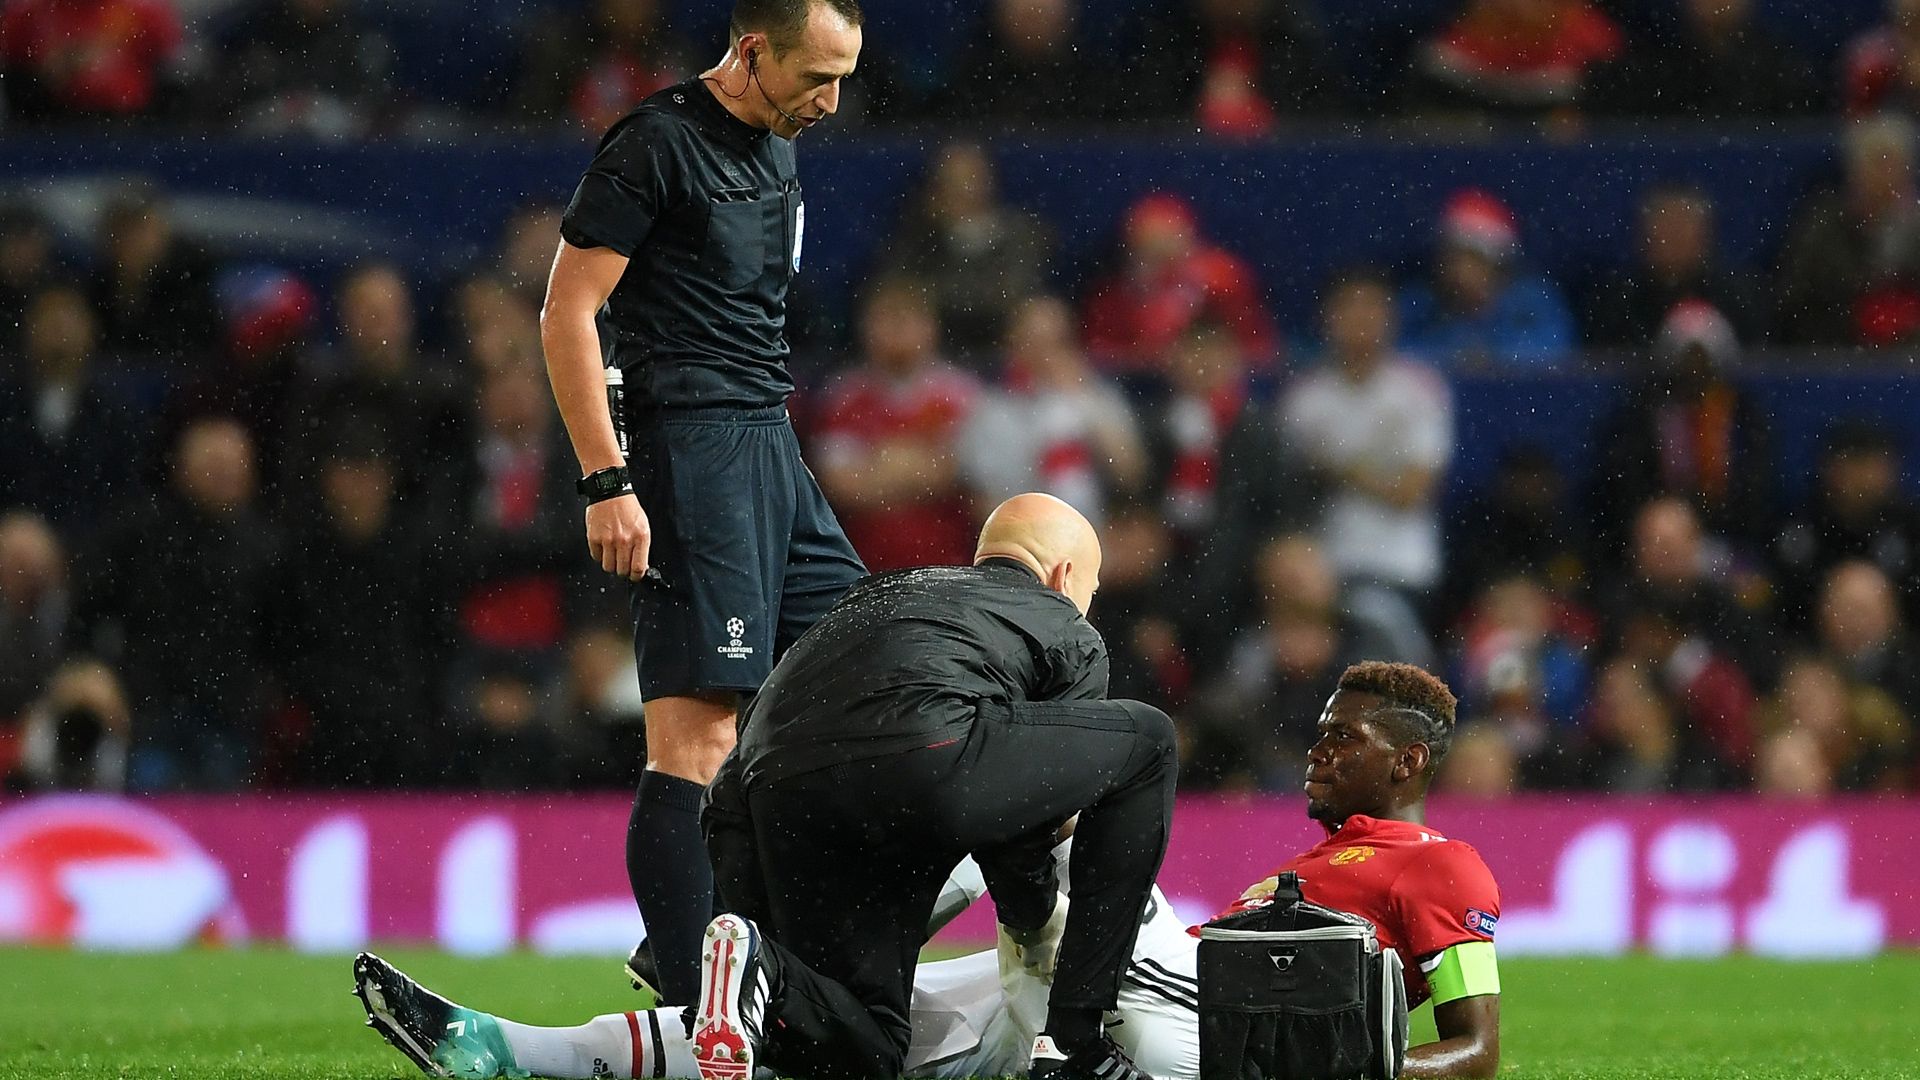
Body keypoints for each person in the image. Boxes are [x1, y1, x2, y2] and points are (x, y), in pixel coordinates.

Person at [352, 662, 1501, 1080]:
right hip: (1090, 1004)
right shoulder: (1312, 868)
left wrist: (1350, 1069)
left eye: (1343, 739)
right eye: (1318, 733)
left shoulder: (1442, 867)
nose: (1316, 750)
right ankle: (511, 1051)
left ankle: (764, 930)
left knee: (1043, 803)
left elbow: (1479, 1049)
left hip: (1162, 1015)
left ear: (1409, 761)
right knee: (829, 1039)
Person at [539, 0, 867, 1004]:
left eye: (844, 79)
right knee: (698, 736)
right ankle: (694, 1002)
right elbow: (567, 311)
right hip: (690, 448)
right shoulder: (655, 145)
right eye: (817, 76)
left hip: (770, 440)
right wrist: (607, 479)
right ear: (754, 49)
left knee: (866, 675)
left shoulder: (781, 139)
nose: (831, 101)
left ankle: (715, 918)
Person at [690, 492, 1176, 1080]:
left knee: (868, 1046)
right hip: (917, 762)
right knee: (1150, 740)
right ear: (1064, 575)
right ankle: (1075, 1044)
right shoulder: (1062, 626)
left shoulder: (885, 592)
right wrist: (1033, 919)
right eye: (1089, 593)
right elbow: (1028, 818)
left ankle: (761, 972)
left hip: (761, 797)